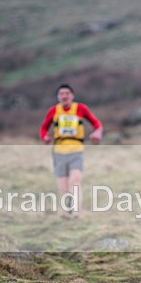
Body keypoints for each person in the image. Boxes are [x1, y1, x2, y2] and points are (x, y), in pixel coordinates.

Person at [40, 84, 103, 214]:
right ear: (58, 97)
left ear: (72, 96)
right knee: (63, 185)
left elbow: (97, 124)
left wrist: (98, 132)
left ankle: (76, 212)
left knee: (75, 180)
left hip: (76, 149)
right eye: (61, 94)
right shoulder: (53, 111)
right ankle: (67, 209)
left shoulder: (81, 108)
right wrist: (45, 137)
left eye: (67, 93)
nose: (64, 96)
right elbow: (43, 129)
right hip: (59, 151)